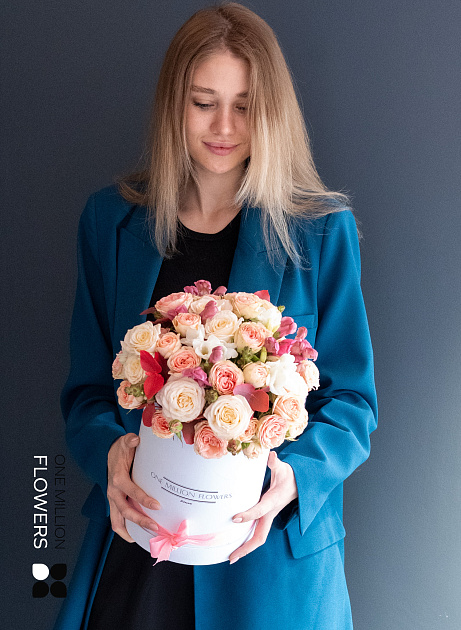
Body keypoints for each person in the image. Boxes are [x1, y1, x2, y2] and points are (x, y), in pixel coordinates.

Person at [54, 3, 377, 629]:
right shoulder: (110, 223)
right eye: (204, 102)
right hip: (141, 544)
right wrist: (110, 455)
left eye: (245, 106)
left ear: (271, 112)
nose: (224, 126)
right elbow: (87, 392)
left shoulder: (320, 231)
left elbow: (353, 404)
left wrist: (294, 480)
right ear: (173, 104)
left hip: (267, 558)